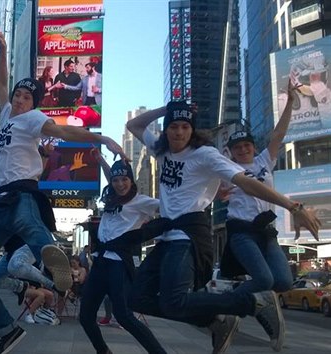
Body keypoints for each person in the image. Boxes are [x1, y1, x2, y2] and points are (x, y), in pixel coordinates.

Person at [0, 21, 124, 354]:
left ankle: (52, 261)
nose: (19, 100)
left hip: (22, 193)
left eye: (25, 97)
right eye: (18, 96)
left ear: (33, 102)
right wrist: (4, 48)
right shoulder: (7, 114)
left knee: (32, 228)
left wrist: (100, 137)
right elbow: (1, 82)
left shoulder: (33, 118)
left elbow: (64, 133)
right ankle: (7, 330)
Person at [126, 101, 320, 353]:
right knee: (137, 298)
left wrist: (293, 207)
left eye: (185, 126)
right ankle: (216, 320)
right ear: (166, 130)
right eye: (173, 126)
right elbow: (133, 124)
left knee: (174, 302)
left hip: (188, 235)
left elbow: (246, 182)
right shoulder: (161, 151)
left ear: (192, 130)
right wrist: (169, 108)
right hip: (166, 235)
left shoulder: (205, 155)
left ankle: (252, 302)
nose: (179, 132)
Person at [219, 80, 307, 351]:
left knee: (283, 281)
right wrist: (220, 192)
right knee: (264, 280)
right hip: (242, 232)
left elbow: (278, 134)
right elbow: (213, 191)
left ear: (252, 147)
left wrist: (290, 102)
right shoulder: (227, 169)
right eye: (238, 148)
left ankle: (235, 296)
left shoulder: (263, 161)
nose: (243, 150)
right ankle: (221, 307)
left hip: (267, 234)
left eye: (246, 146)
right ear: (230, 152)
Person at [79, 156, 165, 354]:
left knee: (124, 315)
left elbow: (168, 208)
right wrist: (99, 159)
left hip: (118, 264)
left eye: (124, 180)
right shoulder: (112, 197)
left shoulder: (141, 201)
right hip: (100, 263)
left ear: (131, 181)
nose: (120, 184)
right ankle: (103, 351)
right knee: (85, 316)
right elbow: (112, 175)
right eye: (116, 180)